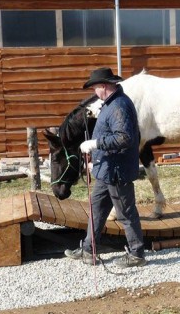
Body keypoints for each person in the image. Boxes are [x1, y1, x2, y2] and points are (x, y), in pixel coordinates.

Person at [64, 67, 146, 268]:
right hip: (105, 170)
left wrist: (95, 144)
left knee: (126, 213)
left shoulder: (119, 106)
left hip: (117, 171)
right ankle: (88, 249)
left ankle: (137, 254)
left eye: (94, 88)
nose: (94, 92)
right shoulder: (111, 105)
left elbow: (124, 138)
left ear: (103, 86)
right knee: (96, 209)